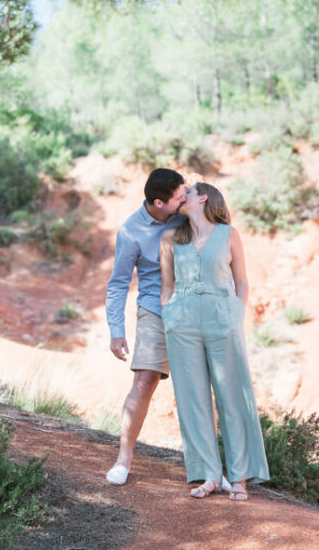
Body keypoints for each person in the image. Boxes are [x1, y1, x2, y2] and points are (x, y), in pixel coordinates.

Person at [159, 182, 270, 501]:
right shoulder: (171, 238)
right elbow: (167, 285)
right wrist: (169, 314)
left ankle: (239, 477)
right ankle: (209, 475)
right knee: (192, 398)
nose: (182, 197)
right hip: (182, 321)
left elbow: (242, 280)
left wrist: (237, 313)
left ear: (203, 198)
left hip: (223, 317)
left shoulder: (228, 234)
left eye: (188, 192)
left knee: (232, 394)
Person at [104, 168, 186, 486]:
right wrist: (116, 331)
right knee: (144, 381)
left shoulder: (188, 215)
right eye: (178, 196)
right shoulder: (131, 232)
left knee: (202, 387)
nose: (184, 199)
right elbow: (118, 284)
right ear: (159, 202)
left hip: (194, 309)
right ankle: (123, 460)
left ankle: (211, 465)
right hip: (154, 309)